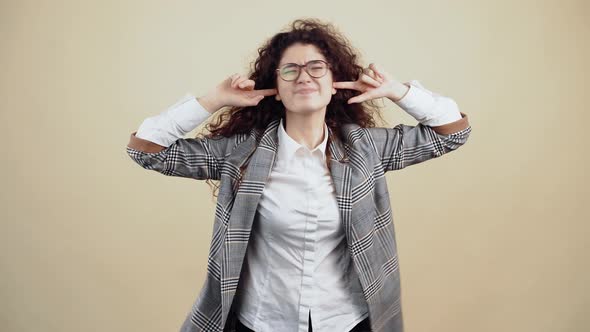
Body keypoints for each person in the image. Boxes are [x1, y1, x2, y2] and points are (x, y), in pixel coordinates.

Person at [126, 18, 471, 332]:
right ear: (275, 86)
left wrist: (398, 91)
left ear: (335, 82)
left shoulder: (365, 149)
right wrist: (214, 99)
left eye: (316, 67)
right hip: (261, 323)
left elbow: (452, 132)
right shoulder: (241, 154)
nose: (304, 76)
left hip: (348, 322)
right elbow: (145, 150)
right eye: (289, 70)